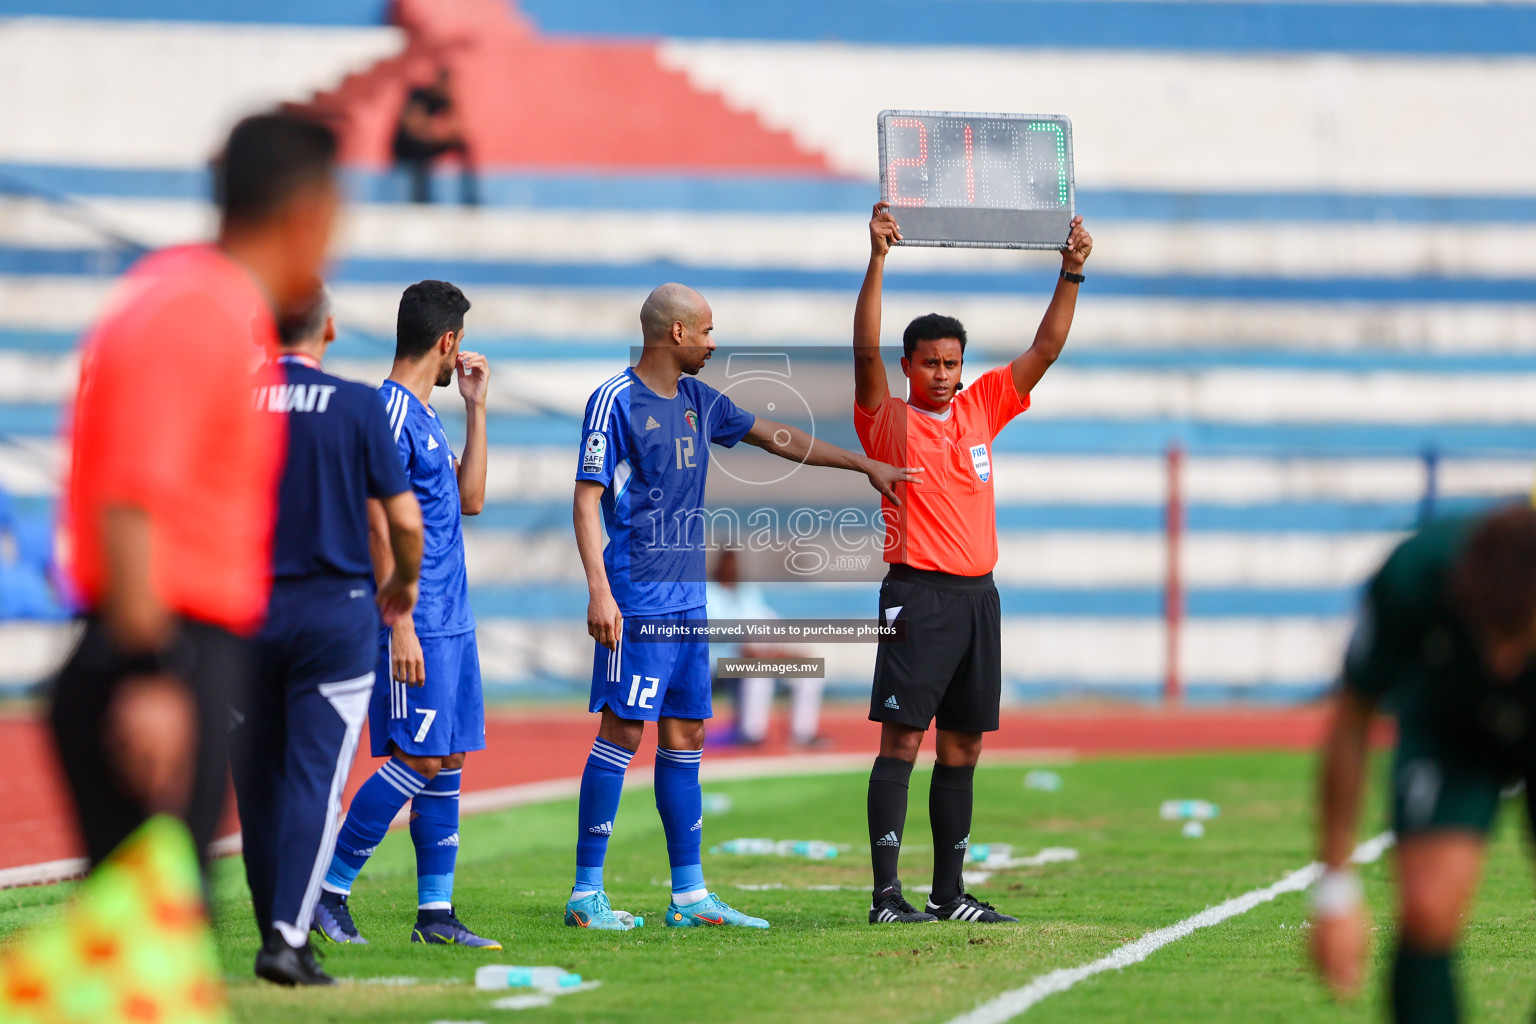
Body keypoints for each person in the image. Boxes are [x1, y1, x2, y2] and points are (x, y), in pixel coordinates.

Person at [565, 282, 917, 931]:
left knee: (688, 734)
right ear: (675, 333)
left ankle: (690, 896)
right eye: (706, 329)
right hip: (637, 597)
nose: (713, 340)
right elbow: (587, 500)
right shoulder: (613, 401)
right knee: (622, 730)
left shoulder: (700, 400)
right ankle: (587, 895)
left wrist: (860, 463)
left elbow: (774, 436)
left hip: (689, 601)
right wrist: (599, 591)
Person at [49, 111, 340, 884]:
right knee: (151, 946)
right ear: (306, 211)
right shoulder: (197, 310)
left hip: (177, 645)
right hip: (159, 647)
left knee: (155, 947)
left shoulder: (200, 300)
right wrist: (150, 672)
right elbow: (128, 499)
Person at [854, 202, 1092, 925]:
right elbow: (862, 352)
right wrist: (878, 258)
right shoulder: (886, 418)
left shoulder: (982, 405)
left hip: (977, 598)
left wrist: (1072, 271)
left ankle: (949, 894)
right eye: (930, 363)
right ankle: (887, 896)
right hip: (917, 594)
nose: (943, 375)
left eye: (952, 363)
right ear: (907, 366)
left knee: (964, 745)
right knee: (904, 740)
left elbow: (1044, 351)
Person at [232, 282, 424, 986]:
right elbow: (404, 521)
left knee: (256, 783)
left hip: (241, 613)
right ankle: (286, 937)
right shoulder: (355, 402)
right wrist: (401, 586)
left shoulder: (226, 398)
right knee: (315, 778)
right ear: (331, 328)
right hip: (332, 611)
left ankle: (279, 934)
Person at [315, 280, 498, 949]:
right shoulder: (388, 412)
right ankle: (326, 892)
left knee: (445, 759)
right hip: (413, 620)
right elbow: (374, 525)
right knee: (418, 760)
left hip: (453, 616)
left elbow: (470, 499)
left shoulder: (427, 415)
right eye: (458, 351)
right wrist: (400, 625)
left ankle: (435, 916)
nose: (460, 362)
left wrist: (477, 409)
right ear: (447, 341)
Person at [1311, 505, 1536, 1024]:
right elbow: (1351, 722)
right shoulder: (1414, 576)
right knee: (1428, 906)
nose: (1502, 661)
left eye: (1515, 636)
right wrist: (1335, 891)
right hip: (1453, 723)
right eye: (1490, 635)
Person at [705, 550, 824, 747]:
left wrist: (778, 653)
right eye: (726, 564)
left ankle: (803, 733)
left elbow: (764, 624)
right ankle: (751, 734)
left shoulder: (747, 591)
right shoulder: (707, 592)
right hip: (719, 662)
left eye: (734, 565)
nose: (731, 569)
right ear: (718, 566)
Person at [392, 66, 477, 206]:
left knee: (463, 145)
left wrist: (443, 134)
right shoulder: (418, 95)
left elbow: (456, 128)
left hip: (427, 142)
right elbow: (413, 128)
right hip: (406, 146)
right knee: (418, 148)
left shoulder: (443, 100)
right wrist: (436, 135)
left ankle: (469, 195)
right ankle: (420, 198)